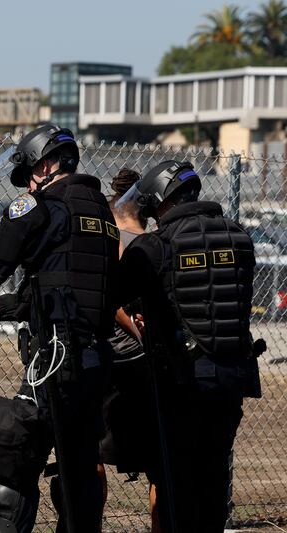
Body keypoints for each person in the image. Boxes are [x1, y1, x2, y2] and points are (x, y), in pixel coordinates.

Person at [0, 123, 119, 533]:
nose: (29, 185)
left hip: (56, 359)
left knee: (13, 464)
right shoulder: (99, 214)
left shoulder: (38, 208)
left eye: (31, 173)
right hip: (95, 364)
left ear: (50, 163)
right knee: (79, 476)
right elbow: (56, 292)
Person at [116, 160, 262, 531]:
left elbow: (112, 296)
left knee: (176, 480)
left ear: (160, 201)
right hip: (232, 377)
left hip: (181, 381)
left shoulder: (155, 246)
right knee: (213, 475)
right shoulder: (240, 238)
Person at [96, 169, 159, 527]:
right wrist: (141, 333)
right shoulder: (151, 241)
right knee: (158, 464)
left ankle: (93, 521)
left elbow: (111, 299)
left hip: (111, 358)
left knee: (95, 453)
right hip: (142, 359)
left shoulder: (110, 238)